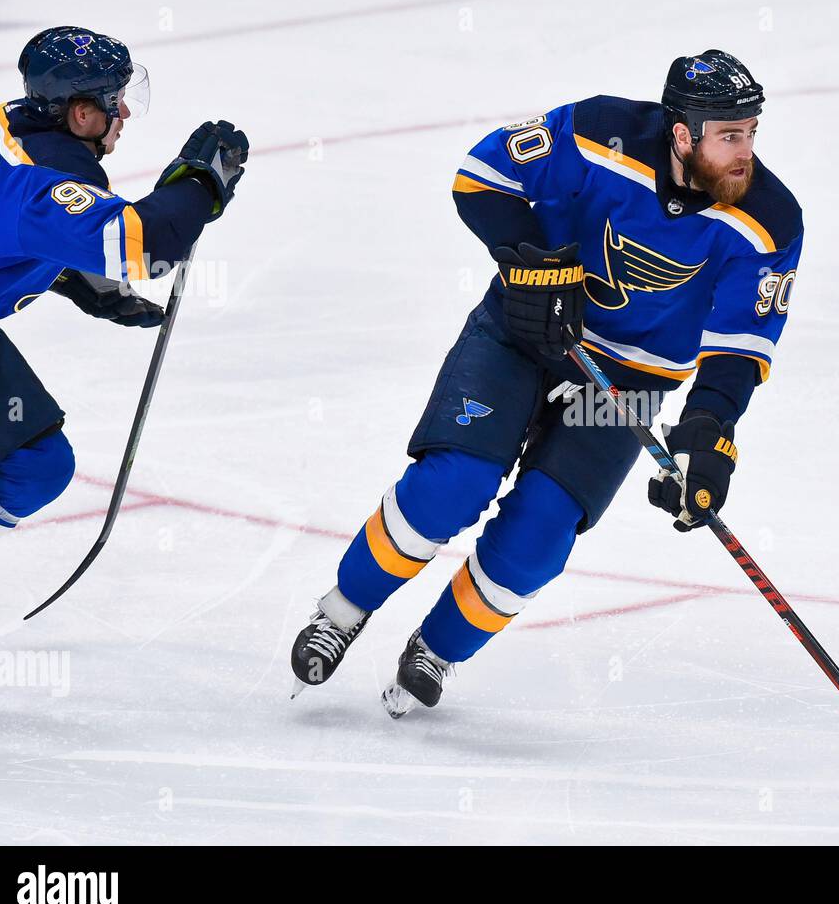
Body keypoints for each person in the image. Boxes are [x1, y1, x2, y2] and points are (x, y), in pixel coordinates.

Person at [290, 49, 802, 717]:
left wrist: (707, 432)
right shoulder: (597, 133)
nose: (746, 152)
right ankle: (343, 608)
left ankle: (437, 648)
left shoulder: (767, 218)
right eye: (730, 134)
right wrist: (537, 262)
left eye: (752, 132)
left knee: (540, 535)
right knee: (455, 483)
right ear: (683, 133)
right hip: (523, 332)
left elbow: (739, 346)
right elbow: (481, 176)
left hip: (626, 381)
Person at [0, 27, 248, 561]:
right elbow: (148, 248)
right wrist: (200, 183)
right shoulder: (42, 182)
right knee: (32, 467)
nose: (122, 112)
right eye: (113, 100)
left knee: (35, 461)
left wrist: (71, 275)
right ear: (79, 113)